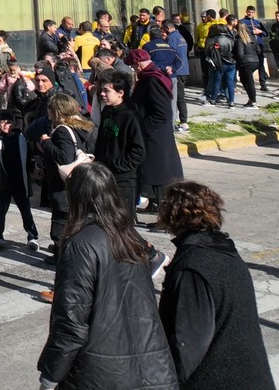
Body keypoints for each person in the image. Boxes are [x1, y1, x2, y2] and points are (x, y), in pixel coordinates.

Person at [38, 162, 176, 389]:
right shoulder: (129, 236)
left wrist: (50, 377)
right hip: (153, 369)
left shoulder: (81, 245)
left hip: (101, 375)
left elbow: (71, 323)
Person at [156, 182, 275, 390]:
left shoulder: (193, 267)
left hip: (218, 379)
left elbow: (187, 345)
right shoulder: (224, 251)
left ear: (174, 216)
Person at [129, 49, 184, 214]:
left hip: (156, 136)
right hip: (154, 135)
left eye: (132, 65)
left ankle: (164, 214)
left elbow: (162, 113)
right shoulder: (149, 77)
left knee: (160, 175)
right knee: (153, 174)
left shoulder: (153, 80)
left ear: (138, 64)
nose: (133, 69)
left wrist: (142, 130)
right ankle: (154, 204)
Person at [39, 93, 95, 251]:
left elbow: (65, 157)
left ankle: (61, 255)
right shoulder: (80, 126)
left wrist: (46, 143)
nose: (47, 111)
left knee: (60, 224)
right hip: (78, 184)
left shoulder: (63, 130)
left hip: (63, 187)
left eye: (49, 108)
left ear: (56, 110)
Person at [94, 70, 146, 219]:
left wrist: (117, 166)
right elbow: (101, 141)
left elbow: (139, 151)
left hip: (124, 181)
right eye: (101, 90)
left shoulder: (131, 116)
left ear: (120, 93)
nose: (102, 94)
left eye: (106, 90)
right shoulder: (107, 111)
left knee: (122, 222)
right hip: (104, 176)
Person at [0, 108, 38, 252]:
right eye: (2, 122)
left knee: (26, 211)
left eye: (9, 122)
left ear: (14, 123)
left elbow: (29, 158)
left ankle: (32, 237)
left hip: (19, 181)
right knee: (1, 211)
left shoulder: (21, 138)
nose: (5, 125)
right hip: (2, 182)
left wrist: (35, 170)